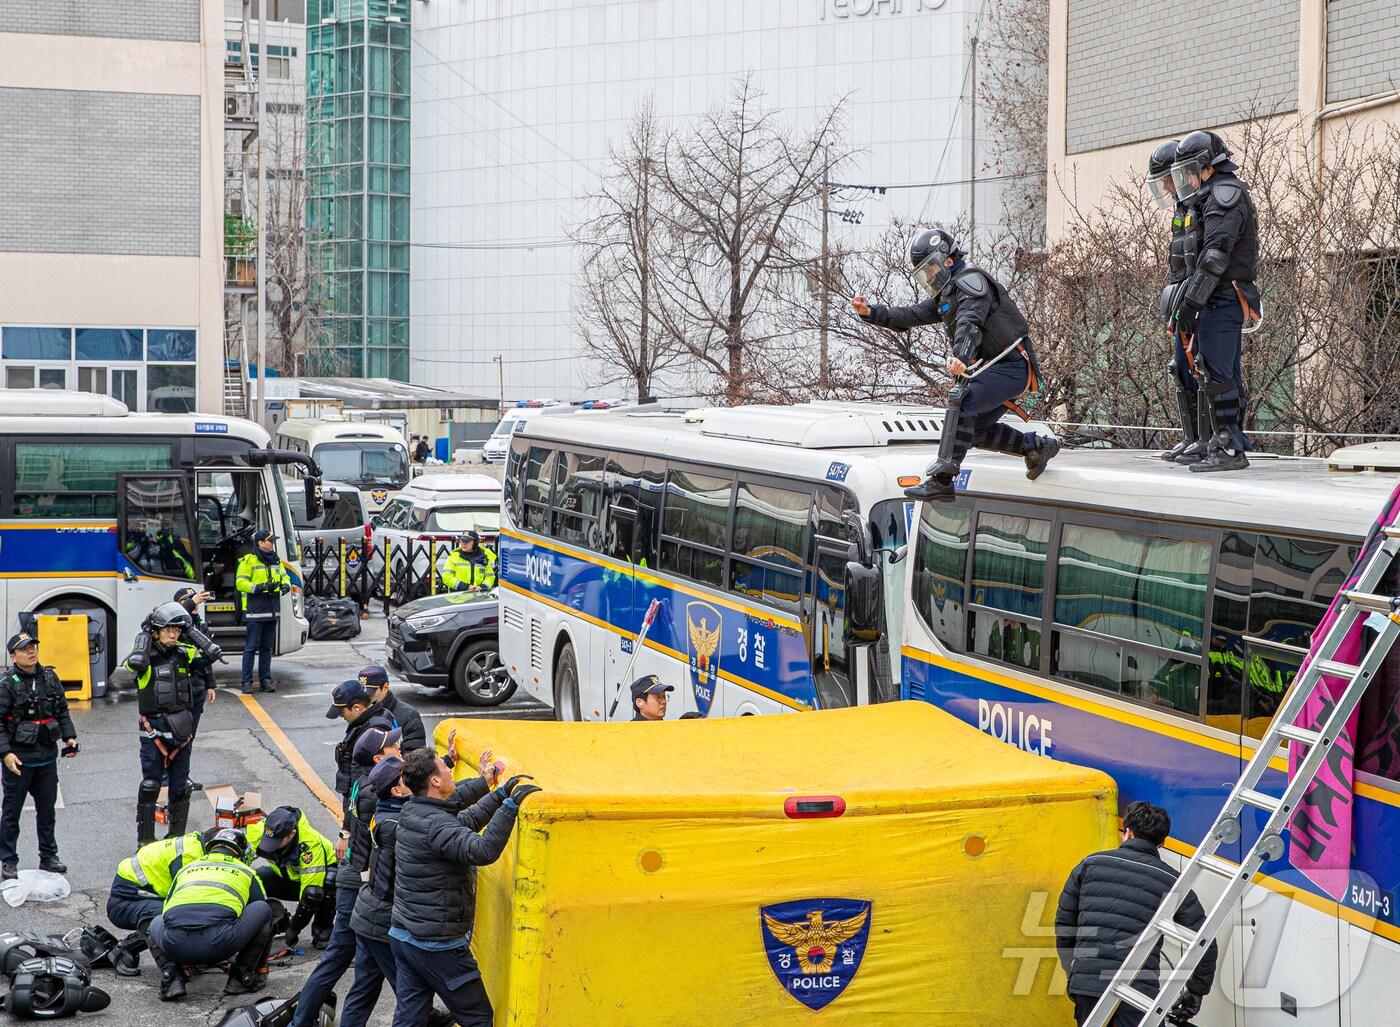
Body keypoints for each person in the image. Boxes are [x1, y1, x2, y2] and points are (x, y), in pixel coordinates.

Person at [853, 228, 1059, 499]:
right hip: (996, 368)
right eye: (925, 272)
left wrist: (961, 357)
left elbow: (969, 323)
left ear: (948, 259)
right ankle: (1036, 447)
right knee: (972, 431)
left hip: (1012, 365)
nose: (930, 276)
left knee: (962, 399)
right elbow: (912, 314)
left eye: (932, 268)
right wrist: (872, 313)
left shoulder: (971, 282)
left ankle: (943, 479)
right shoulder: (948, 293)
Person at [389, 748, 540, 1027]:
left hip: (404, 936)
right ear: (434, 781)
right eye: (444, 769)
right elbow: (481, 851)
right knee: (478, 1017)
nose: (449, 772)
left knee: (411, 1018)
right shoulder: (436, 825)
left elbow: (463, 823)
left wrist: (499, 795)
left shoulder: (414, 811)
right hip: (437, 945)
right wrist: (509, 808)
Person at [1055, 801, 1218, 1026]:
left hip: (1088, 986)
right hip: (1138, 992)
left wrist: (1073, 971)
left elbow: (1064, 924)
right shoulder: (1173, 881)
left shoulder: (1089, 864)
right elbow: (1205, 942)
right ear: (1161, 842)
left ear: (1127, 832)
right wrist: (1195, 992)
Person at [283, 725, 403, 1027]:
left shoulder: (363, 782)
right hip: (358, 884)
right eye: (393, 746)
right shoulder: (374, 793)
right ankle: (301, 1021)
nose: (399, 747)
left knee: (367, 972)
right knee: (341, 960)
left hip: (355, 882)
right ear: (378, 759)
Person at [1168, 130, 1259, 473]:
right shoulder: (1207, 195)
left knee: (1220, 373)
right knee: (1206, 370)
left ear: (1207, 167)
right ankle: (1210, 441)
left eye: (1190, 170)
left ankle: (1230, 447)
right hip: (1210, 296)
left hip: (1223, 296)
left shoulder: (1225, 194)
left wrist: (1190, 305)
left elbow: (1215, 256)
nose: (1186, 179)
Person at [148, 828, 273, 1001]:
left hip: (176, 944)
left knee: (154, 921)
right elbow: (257, 909)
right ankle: (241, 977)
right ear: (241, 853)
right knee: (265, 909)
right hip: (220, 943)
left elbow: (167, 909)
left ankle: (172, 978)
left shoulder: (186, 869)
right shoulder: (245, 871)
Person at [0, 631, 78, 880]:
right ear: (13, 656)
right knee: (11, 814)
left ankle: (49, 857)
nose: (31, 651)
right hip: (19, 761)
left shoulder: (50, 677)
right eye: (24, 649)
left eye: (33, 646)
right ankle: (8, 860)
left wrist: (69, 736)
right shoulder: (6, 685)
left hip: (47, 758)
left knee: (47, 812)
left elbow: (62, 711)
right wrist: (6, 754)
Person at [124, 603, 201, 848]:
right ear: (156, 631)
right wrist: (144, 639)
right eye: (167, 630)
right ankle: (145, 840)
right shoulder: (144, 659)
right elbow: (131, 664)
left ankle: (175, 839)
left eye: (176, 631)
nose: (172, 635)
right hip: (153, 731)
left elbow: (209, 654)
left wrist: (190, 631)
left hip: (181, 733)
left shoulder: (184, 652)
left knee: (180, 787)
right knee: (151, 785)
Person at [1147, 139, 1204, 464]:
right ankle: (1191, 436)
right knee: (1180, 368)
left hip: (1198, 302)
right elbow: (1176, 263)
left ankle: (1207, 438)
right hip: (1181, 300)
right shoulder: (1182, 210)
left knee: (1203, 370)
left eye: (1167, 179)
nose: (1166, 187)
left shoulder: (1201, 205)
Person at [106, 828, 209, 976]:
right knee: (174, 916)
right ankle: (126, 948)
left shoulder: (198, 846)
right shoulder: (189, 856)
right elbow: (187, 902)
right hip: (125, 903)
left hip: (143, 897)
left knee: (185, 912)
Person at [245, 805, 337, 950]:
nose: (271, 847)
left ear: (291, 834)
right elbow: (240, 863)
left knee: (324, 886)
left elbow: (310, 893)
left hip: (315, 883)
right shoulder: (259, 832)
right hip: (286, 876)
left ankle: (323, 929)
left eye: (277, 842)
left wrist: (293, 929)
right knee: (252, 879)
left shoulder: (310, 846)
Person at [237, 529, 290, 695]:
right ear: (260, 543)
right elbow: (240, 583)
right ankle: (247, 682)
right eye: (270, 541)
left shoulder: (276, 560)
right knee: (251, 647)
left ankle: (265, 680)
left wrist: (285, 584)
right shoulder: (249, 560)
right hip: (255, 610)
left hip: (272, 609)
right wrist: (259, 588)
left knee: (266, 648)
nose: (272, 543)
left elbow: (284, 576)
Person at [358, 665, 426, 751]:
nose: (365, 700)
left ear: (385, 688)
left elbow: (415, 756)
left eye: (370, 694)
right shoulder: (361, 712)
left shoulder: (409, 716)